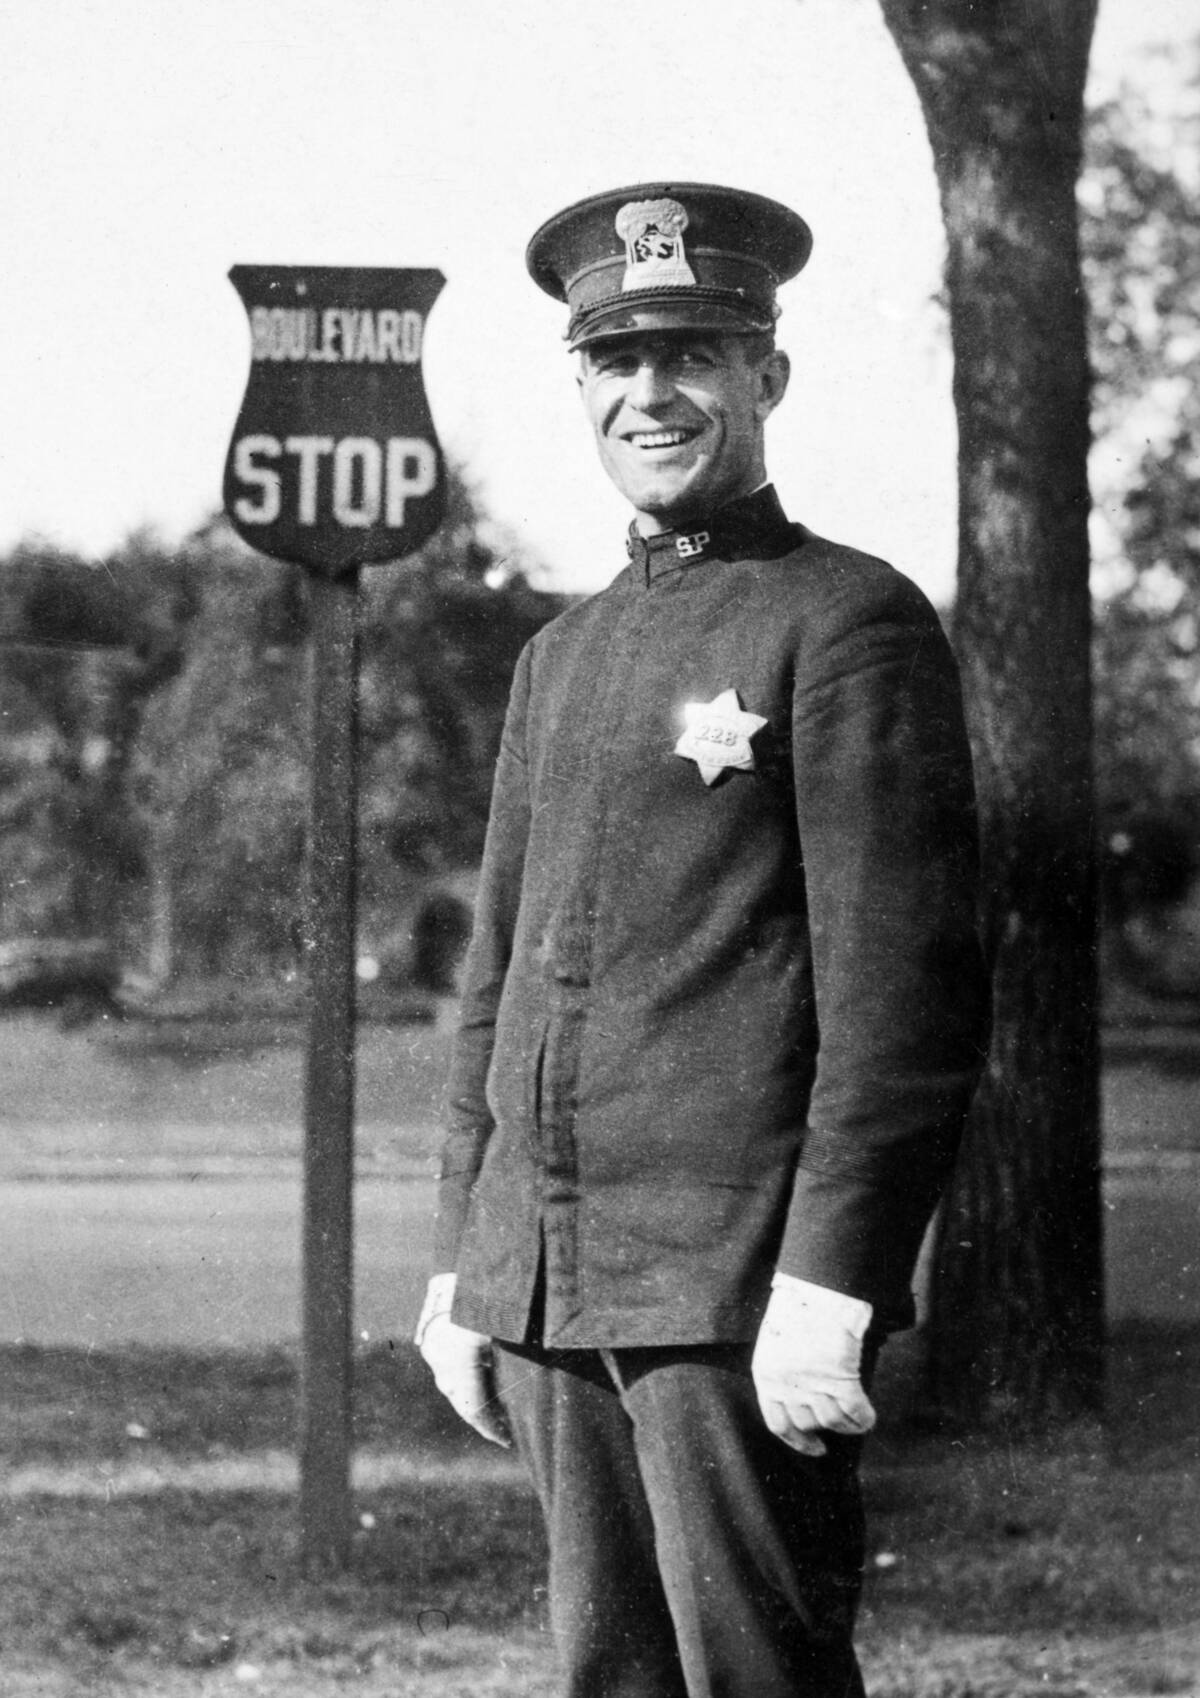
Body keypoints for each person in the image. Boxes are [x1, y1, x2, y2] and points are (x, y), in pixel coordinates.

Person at [416, 181, 989, 1698]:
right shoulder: (562, 653)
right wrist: (464, 1258)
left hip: (735, 1288)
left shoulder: (847, 619)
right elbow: (498, 984)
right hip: (549, 1281)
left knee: (759, 1675)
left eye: (692, 355)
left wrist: (836, 1274)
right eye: (618, 361)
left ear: (765, 377)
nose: (651, 394)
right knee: (607, 1671)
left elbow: (904, 1000)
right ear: (583, 386)